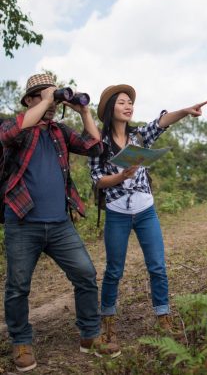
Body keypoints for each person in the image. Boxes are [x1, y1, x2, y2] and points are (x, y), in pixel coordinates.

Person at [0, 74, 121, 373]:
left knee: (85, 273)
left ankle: (90, 336)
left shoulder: (59, 132)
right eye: (42, 95)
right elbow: (9, 134)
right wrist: (48, 99)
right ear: (30, 100)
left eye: (54, 96)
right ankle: (21, 342)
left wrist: (84, 111)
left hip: (59, 224)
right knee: (18, 287)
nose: (52, 102)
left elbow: (95, 147)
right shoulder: (16, 127)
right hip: (22, 220)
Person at [89, 84, 207, 347]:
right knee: (114, 270)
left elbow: (161, 122)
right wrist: (120, 176)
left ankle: (163, 316)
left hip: (145, 210)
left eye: (130, 102)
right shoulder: (99, 143)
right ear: (111, 109)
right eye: (122, 102)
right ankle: (108, 322)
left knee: (157, 266)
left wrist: (185, 112)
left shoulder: (139, 137)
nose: (129, 106)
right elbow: (97, 180)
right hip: (117, 212)